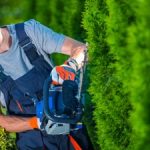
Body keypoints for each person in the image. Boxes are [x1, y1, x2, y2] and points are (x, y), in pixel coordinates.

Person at [0, 19, 89, 150]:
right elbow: (1, 123)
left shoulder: (28, 32)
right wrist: (36, 122)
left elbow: (82, 50)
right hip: (31, 143)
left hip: (68, 130)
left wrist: (70, 65)